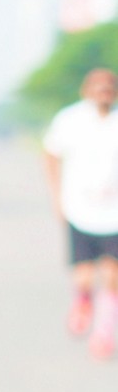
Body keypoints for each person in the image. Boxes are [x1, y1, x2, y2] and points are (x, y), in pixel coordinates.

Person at [42, 66, 118, 356]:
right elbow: (51, 154)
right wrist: (57, 197)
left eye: (109, 87)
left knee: (112, 275)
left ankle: (104, 334)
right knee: (84, 276)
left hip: (113, 214)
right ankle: (84, 301)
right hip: (81, 210)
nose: (104, 92)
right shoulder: (70, 120)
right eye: (98, 87)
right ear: (86, 90)